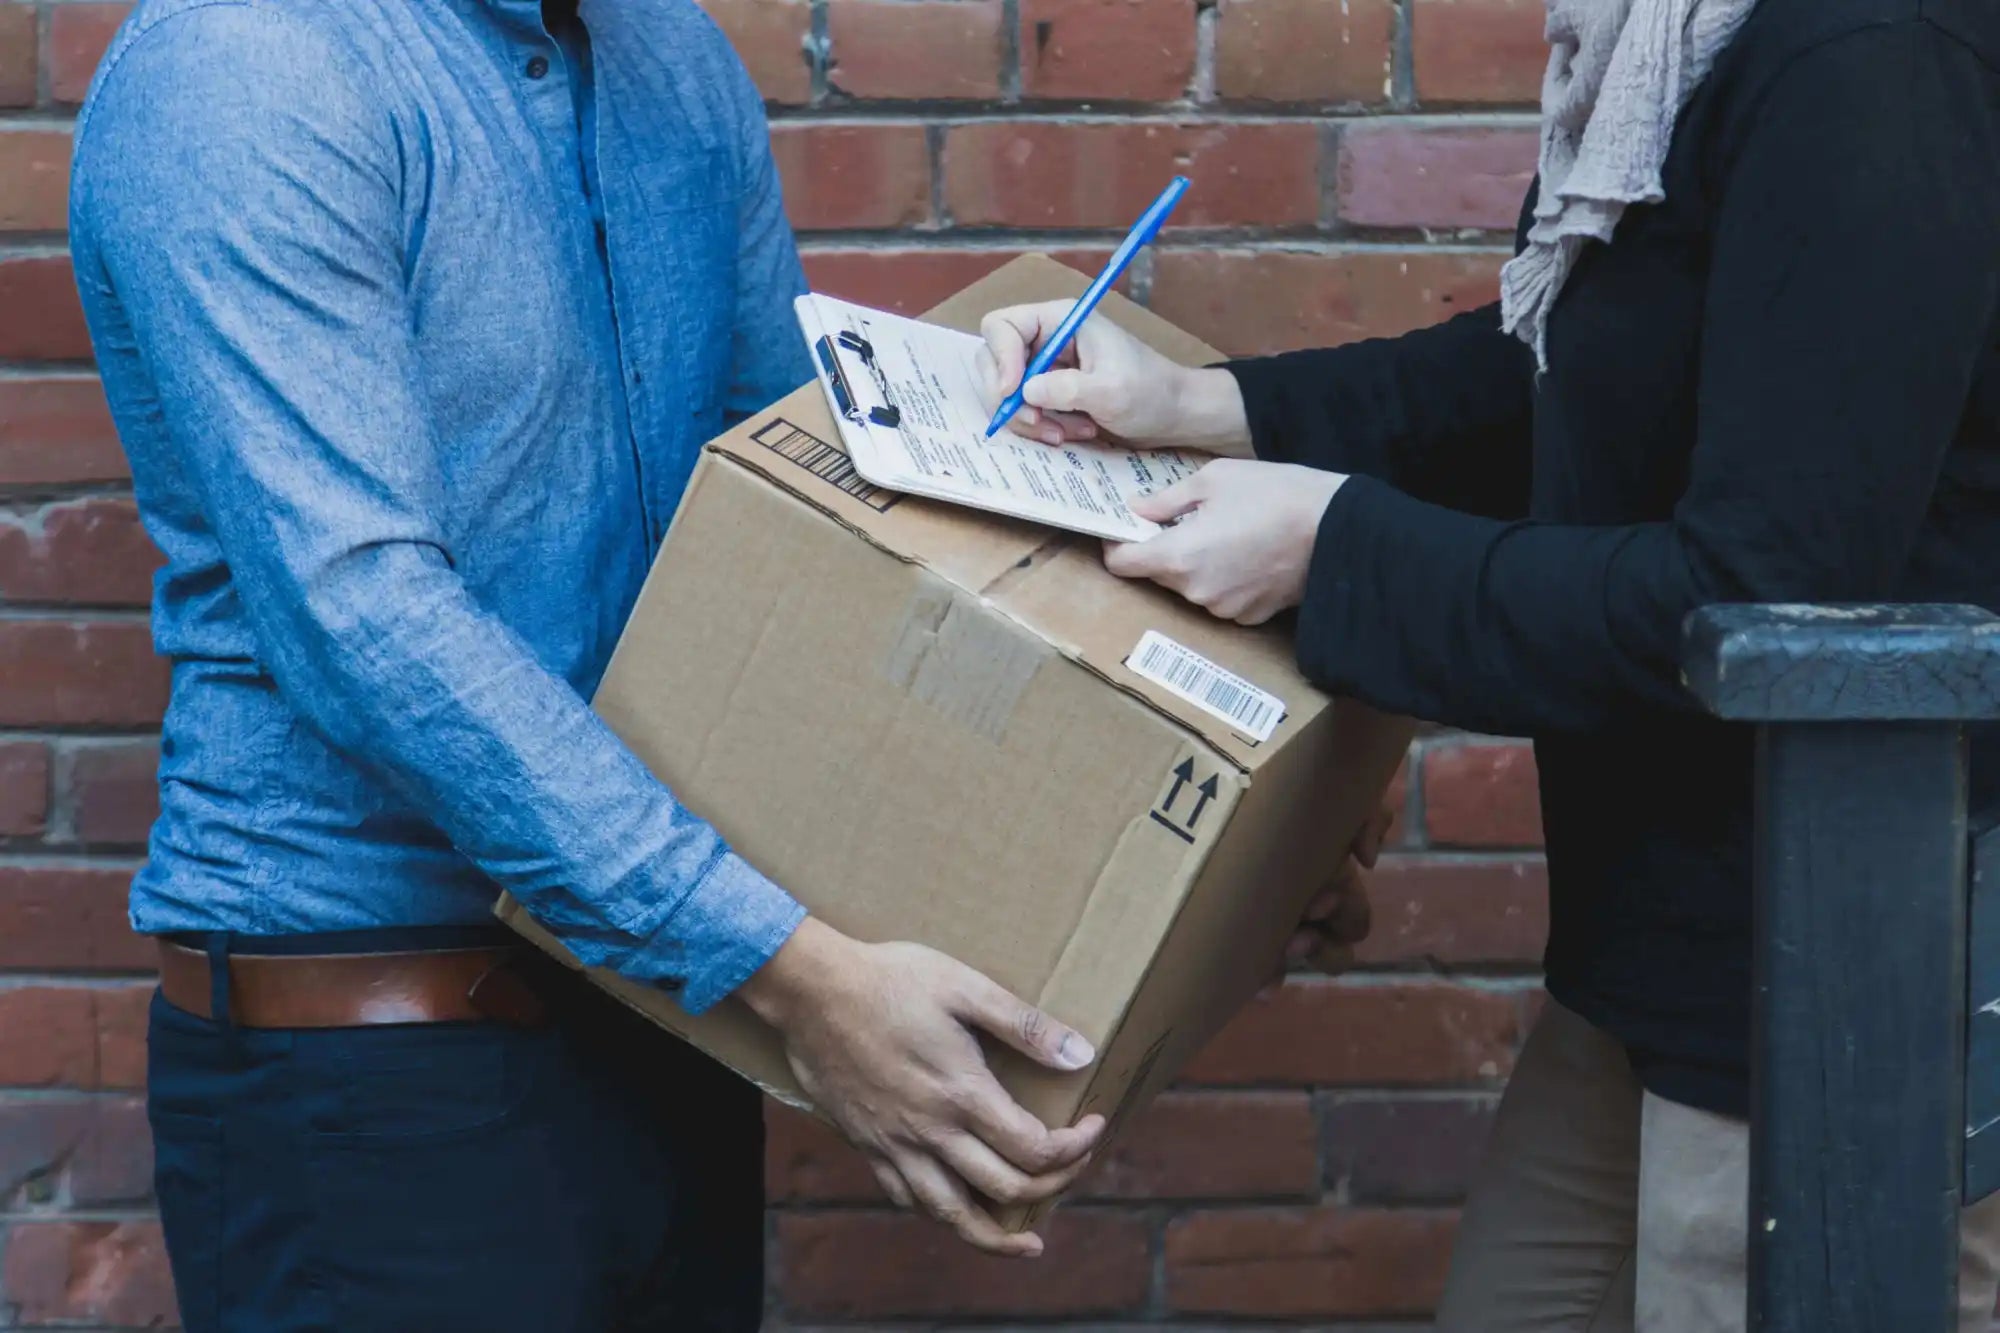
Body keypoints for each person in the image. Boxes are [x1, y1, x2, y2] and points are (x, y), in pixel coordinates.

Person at [66, 0, 1108, 1328]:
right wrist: (789, 966)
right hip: (376, 1062)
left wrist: (998, 440)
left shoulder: (671, 57)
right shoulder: (244, 65)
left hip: (673, 1012)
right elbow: (363, 617)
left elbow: (816, 509)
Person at [977, 0, 2000, 1327]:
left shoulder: (1874, 55)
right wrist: (1206, 408)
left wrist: (1333, 551)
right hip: (1665, 967)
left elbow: (1764, 608)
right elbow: (1564, 370)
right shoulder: (1666, 45)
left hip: (1839, 995)